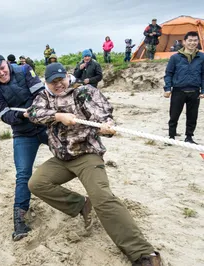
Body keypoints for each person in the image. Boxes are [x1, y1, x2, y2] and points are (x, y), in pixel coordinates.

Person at [27, 62, 163, 266]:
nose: (58, 85)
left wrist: (106, 125)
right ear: (46, 83)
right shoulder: (43, 97)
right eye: (53, 82)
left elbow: (101, 112)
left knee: (103, 198)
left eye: (61, 80)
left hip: (87, 155)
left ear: (67, 76)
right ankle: (81, 204)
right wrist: (58, 116)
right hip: (62, 158)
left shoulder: (83, 92)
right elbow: (33, 113)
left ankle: (143, 253)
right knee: (36, 184)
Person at [0, 54, 47, 241]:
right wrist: (22, 116)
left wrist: (36, 110)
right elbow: (5, 116)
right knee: (23, 174)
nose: (1, 73)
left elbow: (40, 93)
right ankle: (19, 221)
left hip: (46, 125)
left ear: (7, 63)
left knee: (70, 155)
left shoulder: (25, 70)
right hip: (23, 133)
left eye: (2, 68)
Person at [164, 31, 204, 144]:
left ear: (198, 42)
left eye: (195, 40)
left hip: (195, 91)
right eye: (190, 40)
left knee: (192, 116)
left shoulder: (202, 57)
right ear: (184, 42)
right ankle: (171, 137)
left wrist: (203, 90)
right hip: (178, 91)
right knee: (174, 115)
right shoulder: (175, 57)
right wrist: (167, 88)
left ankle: (189, 137)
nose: (192, 43)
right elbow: (169, 74)